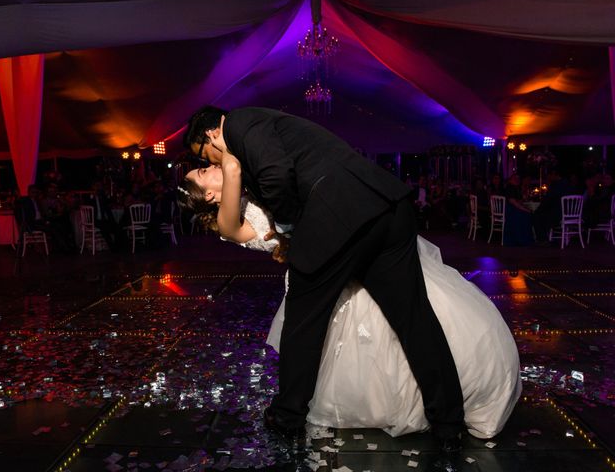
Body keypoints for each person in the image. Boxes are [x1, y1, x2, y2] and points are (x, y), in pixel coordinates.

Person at [183, 106, 465, 463]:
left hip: (339, 220)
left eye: (202, 157)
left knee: (303, 324)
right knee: (415, 319)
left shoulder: (241, 124)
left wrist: (287, 228)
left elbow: (276, 173)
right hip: (385, 208)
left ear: (208, 136)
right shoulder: (263, 131)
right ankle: (449, 425)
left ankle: (287, 416)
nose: (211, 162)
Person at [179, 160, 521, 441]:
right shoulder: (230, 222)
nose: (210, 165)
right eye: (203, 172)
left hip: (350, 249)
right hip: (324, 270)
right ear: (210, 195)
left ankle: (443, 403)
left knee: (414, 318)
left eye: (206, 164)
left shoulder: (254, 183)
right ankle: (391, 405)